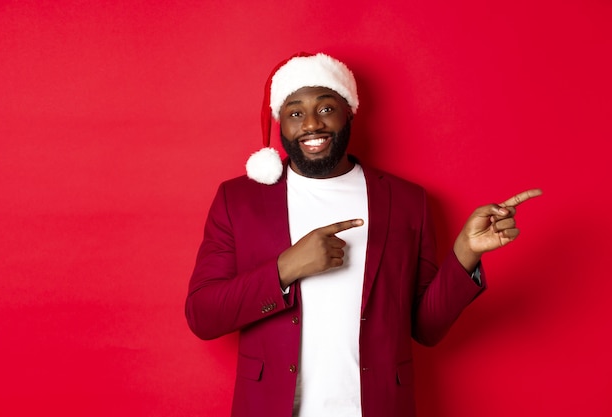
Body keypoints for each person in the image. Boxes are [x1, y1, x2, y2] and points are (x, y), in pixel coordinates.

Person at [185, 52, 541, 417]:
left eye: (326, 108)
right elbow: (203, 315)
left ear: (349, 112)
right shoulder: (239, 200)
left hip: (379, 407)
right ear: (280, 123)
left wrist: (465, 252)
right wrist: (285, 268)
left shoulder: (406, 201)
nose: (311, 124)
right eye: (295, 112)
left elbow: (426, 328)